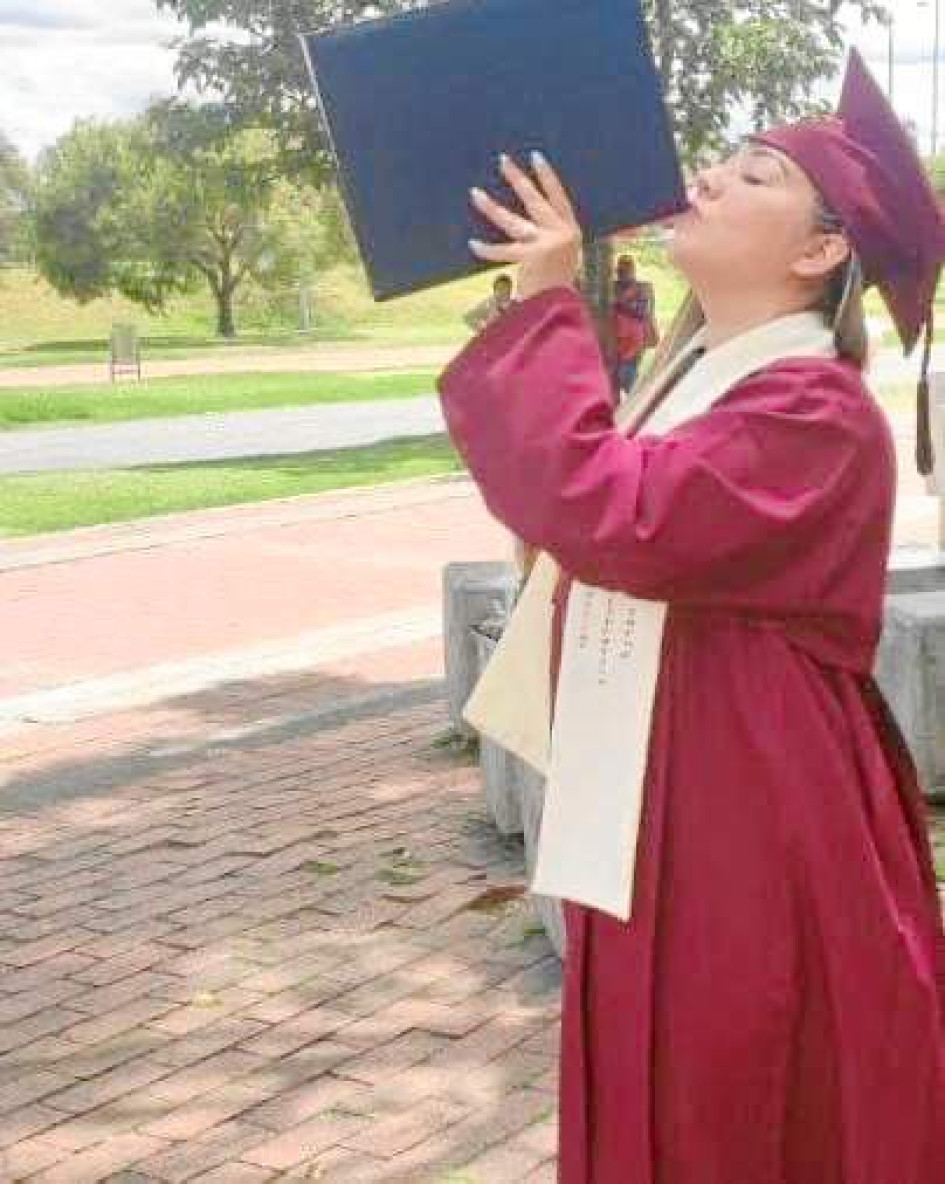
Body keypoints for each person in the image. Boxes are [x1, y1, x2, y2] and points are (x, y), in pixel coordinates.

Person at [439, 50, 945, 1184]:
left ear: (820, 253)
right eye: (723, 158)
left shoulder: (814, 407)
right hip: (666, 782)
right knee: (666, 1067)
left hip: (751, 801)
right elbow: (578, 525)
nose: (709, 177)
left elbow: (615, 513)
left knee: (736, 1081)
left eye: (755, 174)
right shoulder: (703, 380)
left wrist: (548, 303)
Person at [612, 252, 657, 394]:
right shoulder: (612, 287)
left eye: (626, 269)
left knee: (629, 380)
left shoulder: (643, 288)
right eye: (620, 270)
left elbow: (642, 311)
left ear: (633, 270)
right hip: (615, 344)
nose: (623, 273)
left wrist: (618, 303)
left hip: (634, 344)